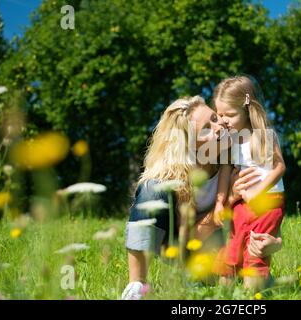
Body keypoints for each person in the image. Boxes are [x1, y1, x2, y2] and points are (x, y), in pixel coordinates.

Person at [121, 95, 281, 300]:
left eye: (215, 117)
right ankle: (136, 287)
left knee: (240, 285)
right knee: (151, 188)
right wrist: (229, 200)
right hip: (179, 244)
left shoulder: (240, 161)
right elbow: (187, 238)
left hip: (221, 247)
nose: (219, 126)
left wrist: (275, 242)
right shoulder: (173, 176)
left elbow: (269, 214)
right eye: (207, 128)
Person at [212, 76, 286, 290]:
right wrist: (220, 202)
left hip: (267, 202)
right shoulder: (231, 138)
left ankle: (253, 290)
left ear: (246, 109)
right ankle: (226, 293)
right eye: (219, 114)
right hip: (241, 204)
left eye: (230, 115)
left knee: (256, 249)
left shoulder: (263, 135)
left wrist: (259, 193)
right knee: (232, 251)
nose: (223, 119)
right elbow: (226, 170)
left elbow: (280, 167)